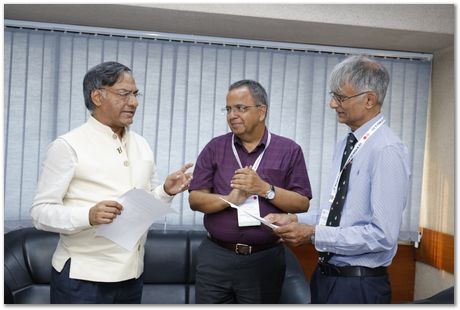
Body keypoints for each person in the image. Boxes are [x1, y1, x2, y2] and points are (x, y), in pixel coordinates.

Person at [30, 61, 193, 304]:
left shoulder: (142, 144)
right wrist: (89, 215)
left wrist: (166, 191)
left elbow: (145, 202)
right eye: (124, 94)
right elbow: (40, 213)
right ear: (97, 97)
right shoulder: (68, 145)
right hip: (81, 279)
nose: (134, 102)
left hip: (132, 275)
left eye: (135, 94)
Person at [265, 55, 410, 304]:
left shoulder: (386, 150)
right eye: (333, 95)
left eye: (341, 97)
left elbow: (382, 235)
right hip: (326, 278)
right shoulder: (347, 143)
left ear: (369, 100)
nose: (333, 104)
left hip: (359, 286)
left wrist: (312, 234)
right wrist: (293, 219)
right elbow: (338, 216)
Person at [188, 79, 312, 304]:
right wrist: (229, 199)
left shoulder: (289, 150)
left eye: (241, 108)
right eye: (228, 109)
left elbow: (302, 202)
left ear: (261, 111)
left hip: (264, 259)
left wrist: (265, 189)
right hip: (216, 256)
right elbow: (195, 199)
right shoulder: (215, 148)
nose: (232, 115)